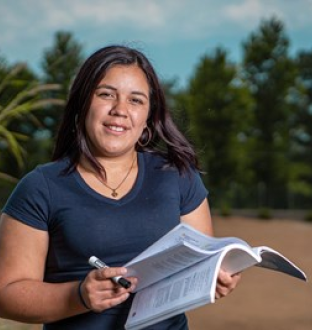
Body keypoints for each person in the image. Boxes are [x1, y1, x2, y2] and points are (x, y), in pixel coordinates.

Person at [0, 45, 241, 330]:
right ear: (82, 104)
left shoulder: (178, 176)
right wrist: (79, 296)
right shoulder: (40, 188)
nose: (120, 110)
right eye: (106, 94)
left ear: (148, 117)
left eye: (136, 100)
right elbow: (6, 294)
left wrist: (211, 280)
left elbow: (196, 268)